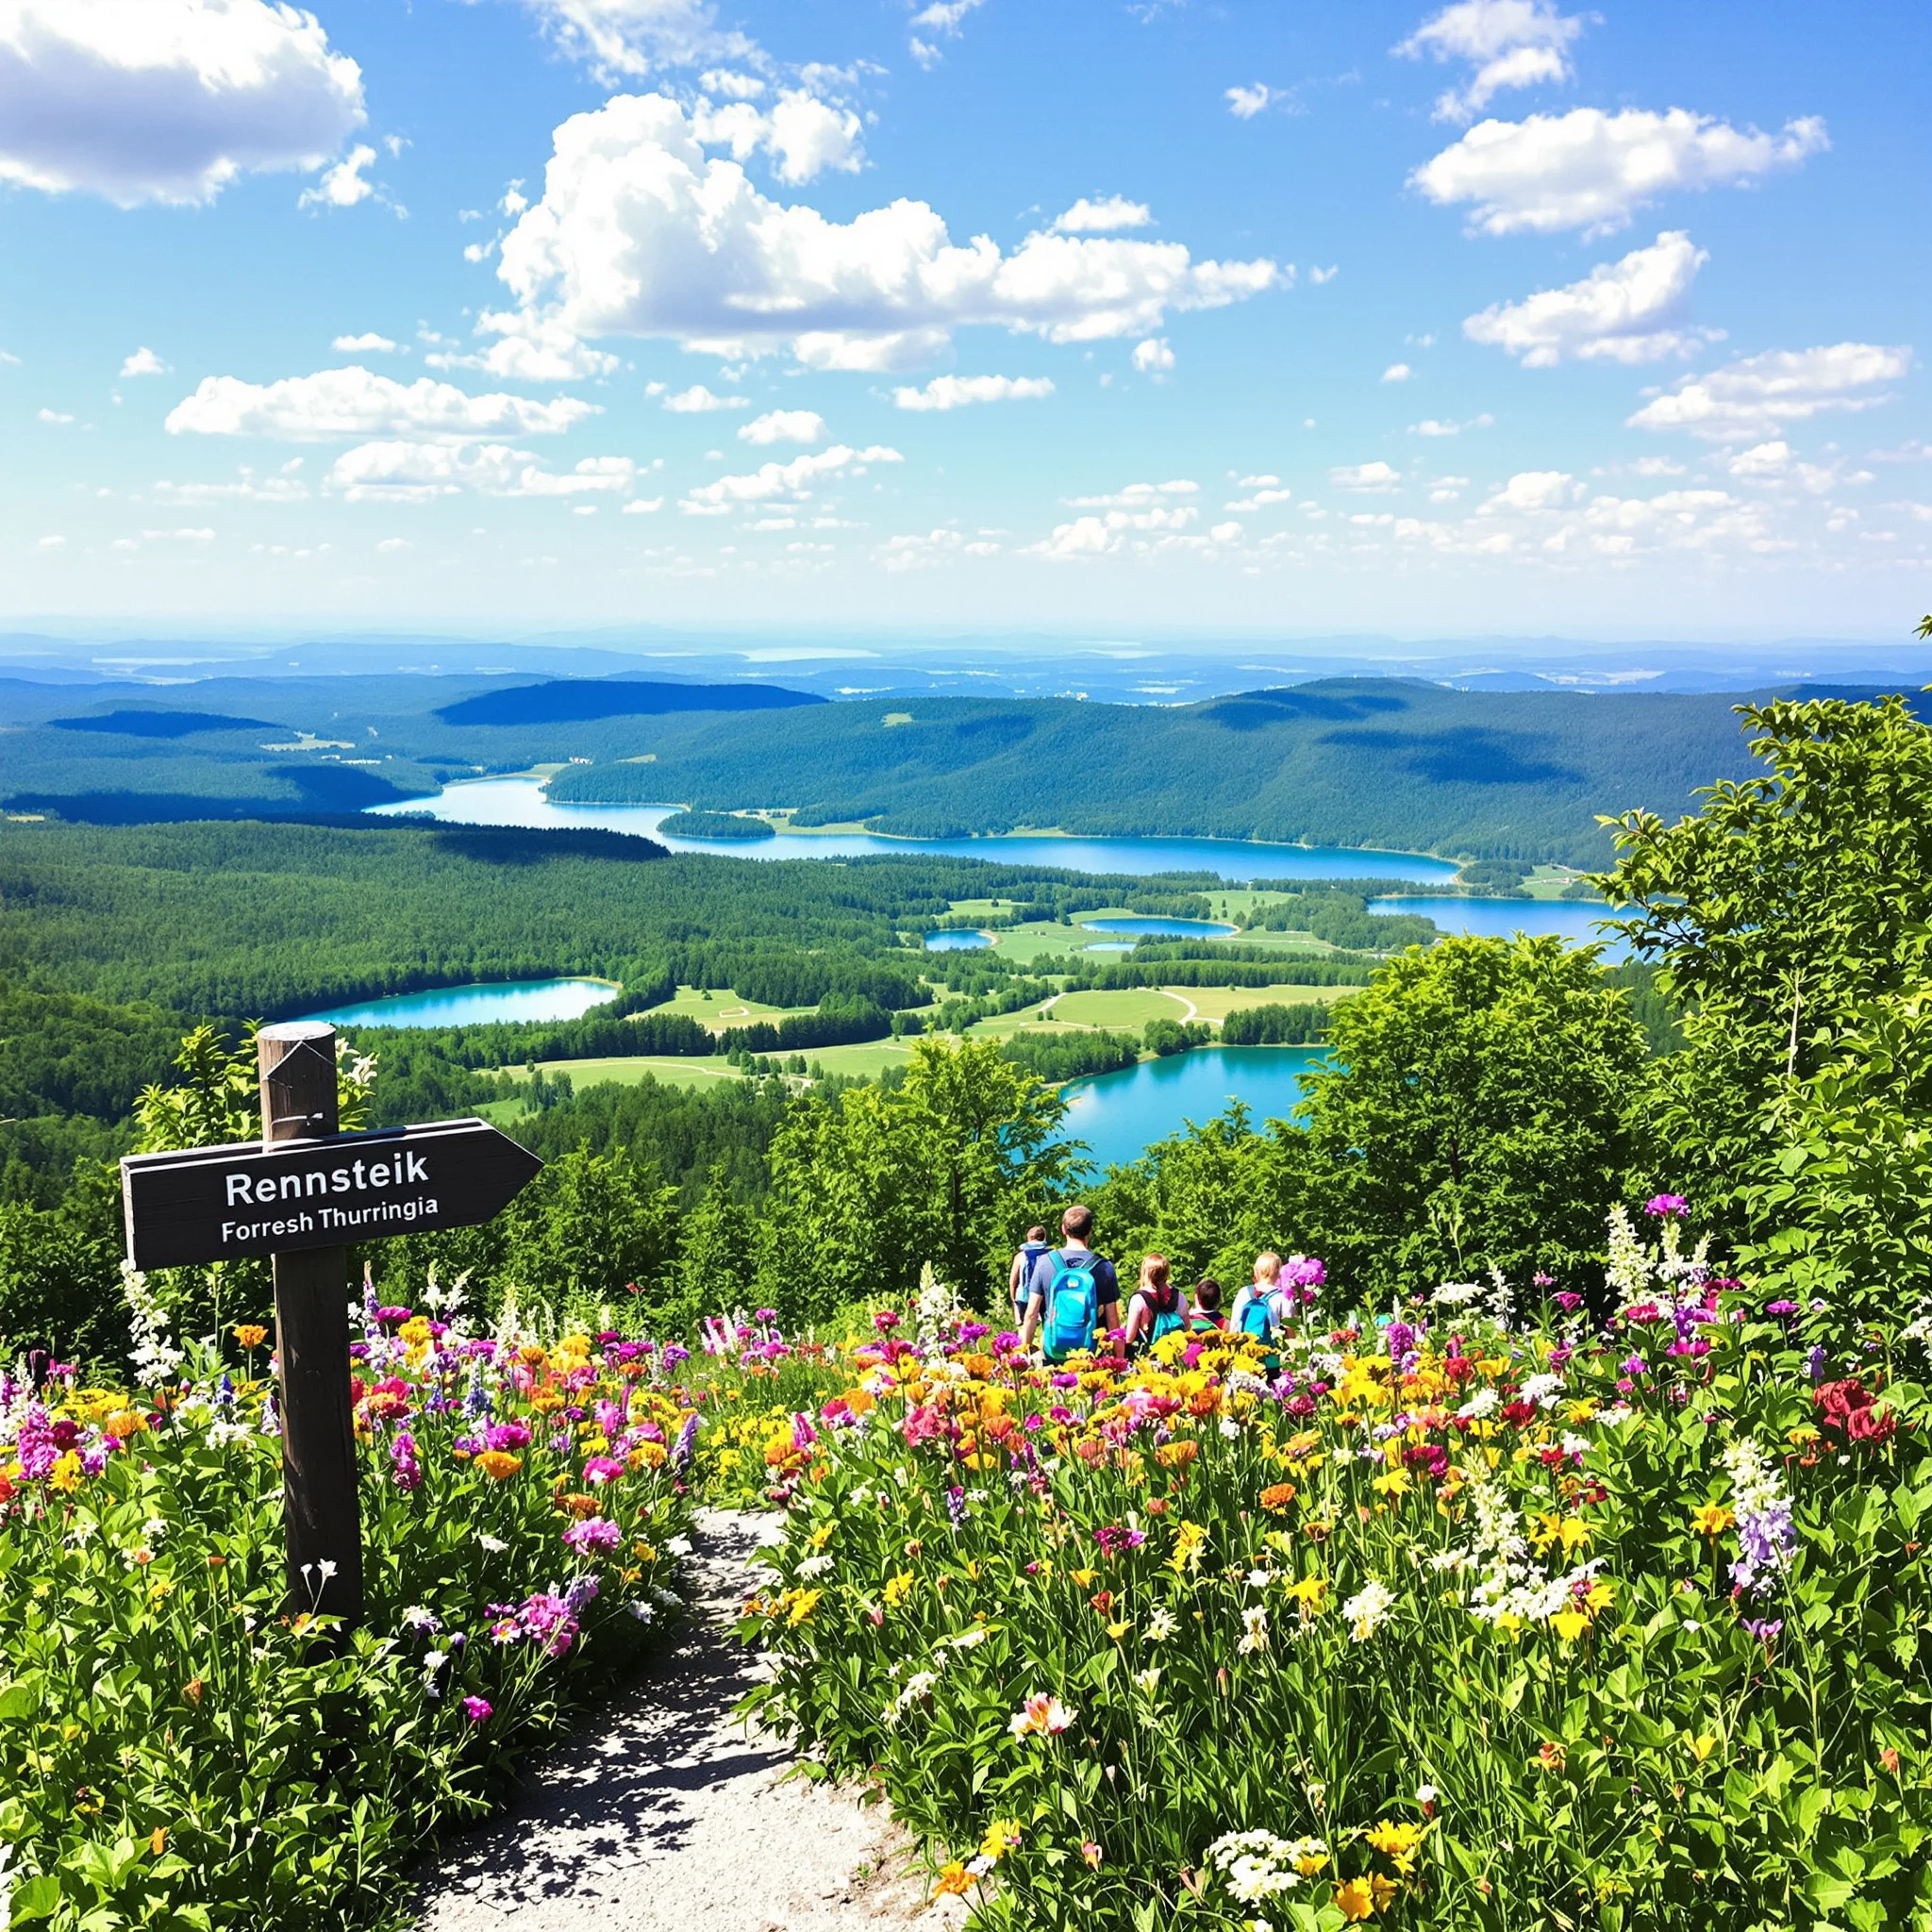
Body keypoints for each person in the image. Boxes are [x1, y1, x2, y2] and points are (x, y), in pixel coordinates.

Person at [1019, 1205, 1122, 1363]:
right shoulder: (1104, 1267)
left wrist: (1024, 1352)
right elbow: (1113, 1320)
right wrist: (1119, 1360)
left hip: (1054, 1352)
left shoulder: (1045, 1263)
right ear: (1090, 1231)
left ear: (1063, 1230)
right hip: (1091, 1356)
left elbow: (1031, 1314)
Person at [1122, 1253, 1187, 1357]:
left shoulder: (1139, 1298)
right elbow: (1187, 1328)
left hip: (1150, 1357)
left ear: (1145, 1272)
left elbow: (1130, 1337)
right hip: (1176, 1356)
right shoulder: (1179, 1296)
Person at [1230, 1252, 1283, 1342]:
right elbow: (1290, 1330)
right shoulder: (1282, 1297)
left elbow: (1235, 1324)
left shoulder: (1243, 1292)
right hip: (1271, 1352)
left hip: (1244, 1349)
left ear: (1256, 1271)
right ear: (1279, 1272)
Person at [1008, 1224, 1051, 1329]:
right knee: (1047, 1327)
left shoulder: (1020, 1256)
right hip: (1046, 1297)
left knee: (1025, 1328)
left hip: (1024, 1297)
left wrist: (1014, 1301)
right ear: (1044, 1238)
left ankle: (1026, 1344)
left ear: (1029, 1238)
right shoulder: (1051, 1254)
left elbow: (1012, 1282)